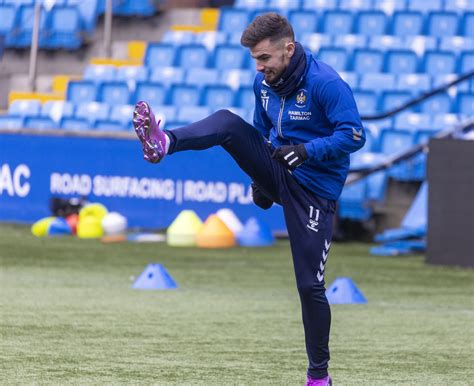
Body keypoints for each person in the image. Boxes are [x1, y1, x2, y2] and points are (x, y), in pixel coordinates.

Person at [132, 12, 365, 386]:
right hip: (278, 170)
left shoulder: (326, 83)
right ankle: (165, 142)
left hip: (314, 192)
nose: (258, 68)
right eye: (254, 60)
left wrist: (307, 151)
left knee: (309, 286)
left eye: (264, 59)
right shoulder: (264, 84)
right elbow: (261, 130)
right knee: (226, 122)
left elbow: (354, 136)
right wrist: (259, 178)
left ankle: (318, 377)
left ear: (288, 49)